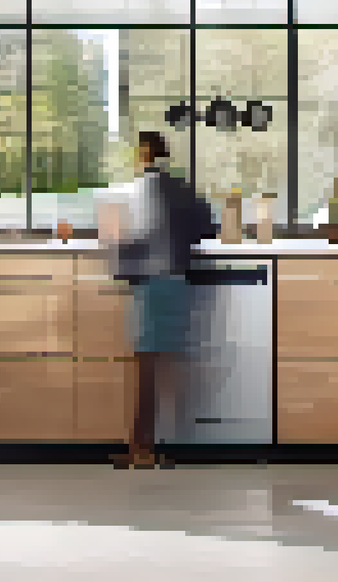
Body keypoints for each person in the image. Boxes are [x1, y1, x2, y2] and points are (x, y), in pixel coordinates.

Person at [102, 131, 218, 469]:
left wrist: (118, 261)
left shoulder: (140, 189)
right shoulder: (180, 187)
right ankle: (166, 443)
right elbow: (207, 227)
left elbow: (128, 237)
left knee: (148, 367)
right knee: (169, 363)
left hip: (153, 284)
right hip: (178, 281)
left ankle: (141, 450)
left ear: (144, 154)